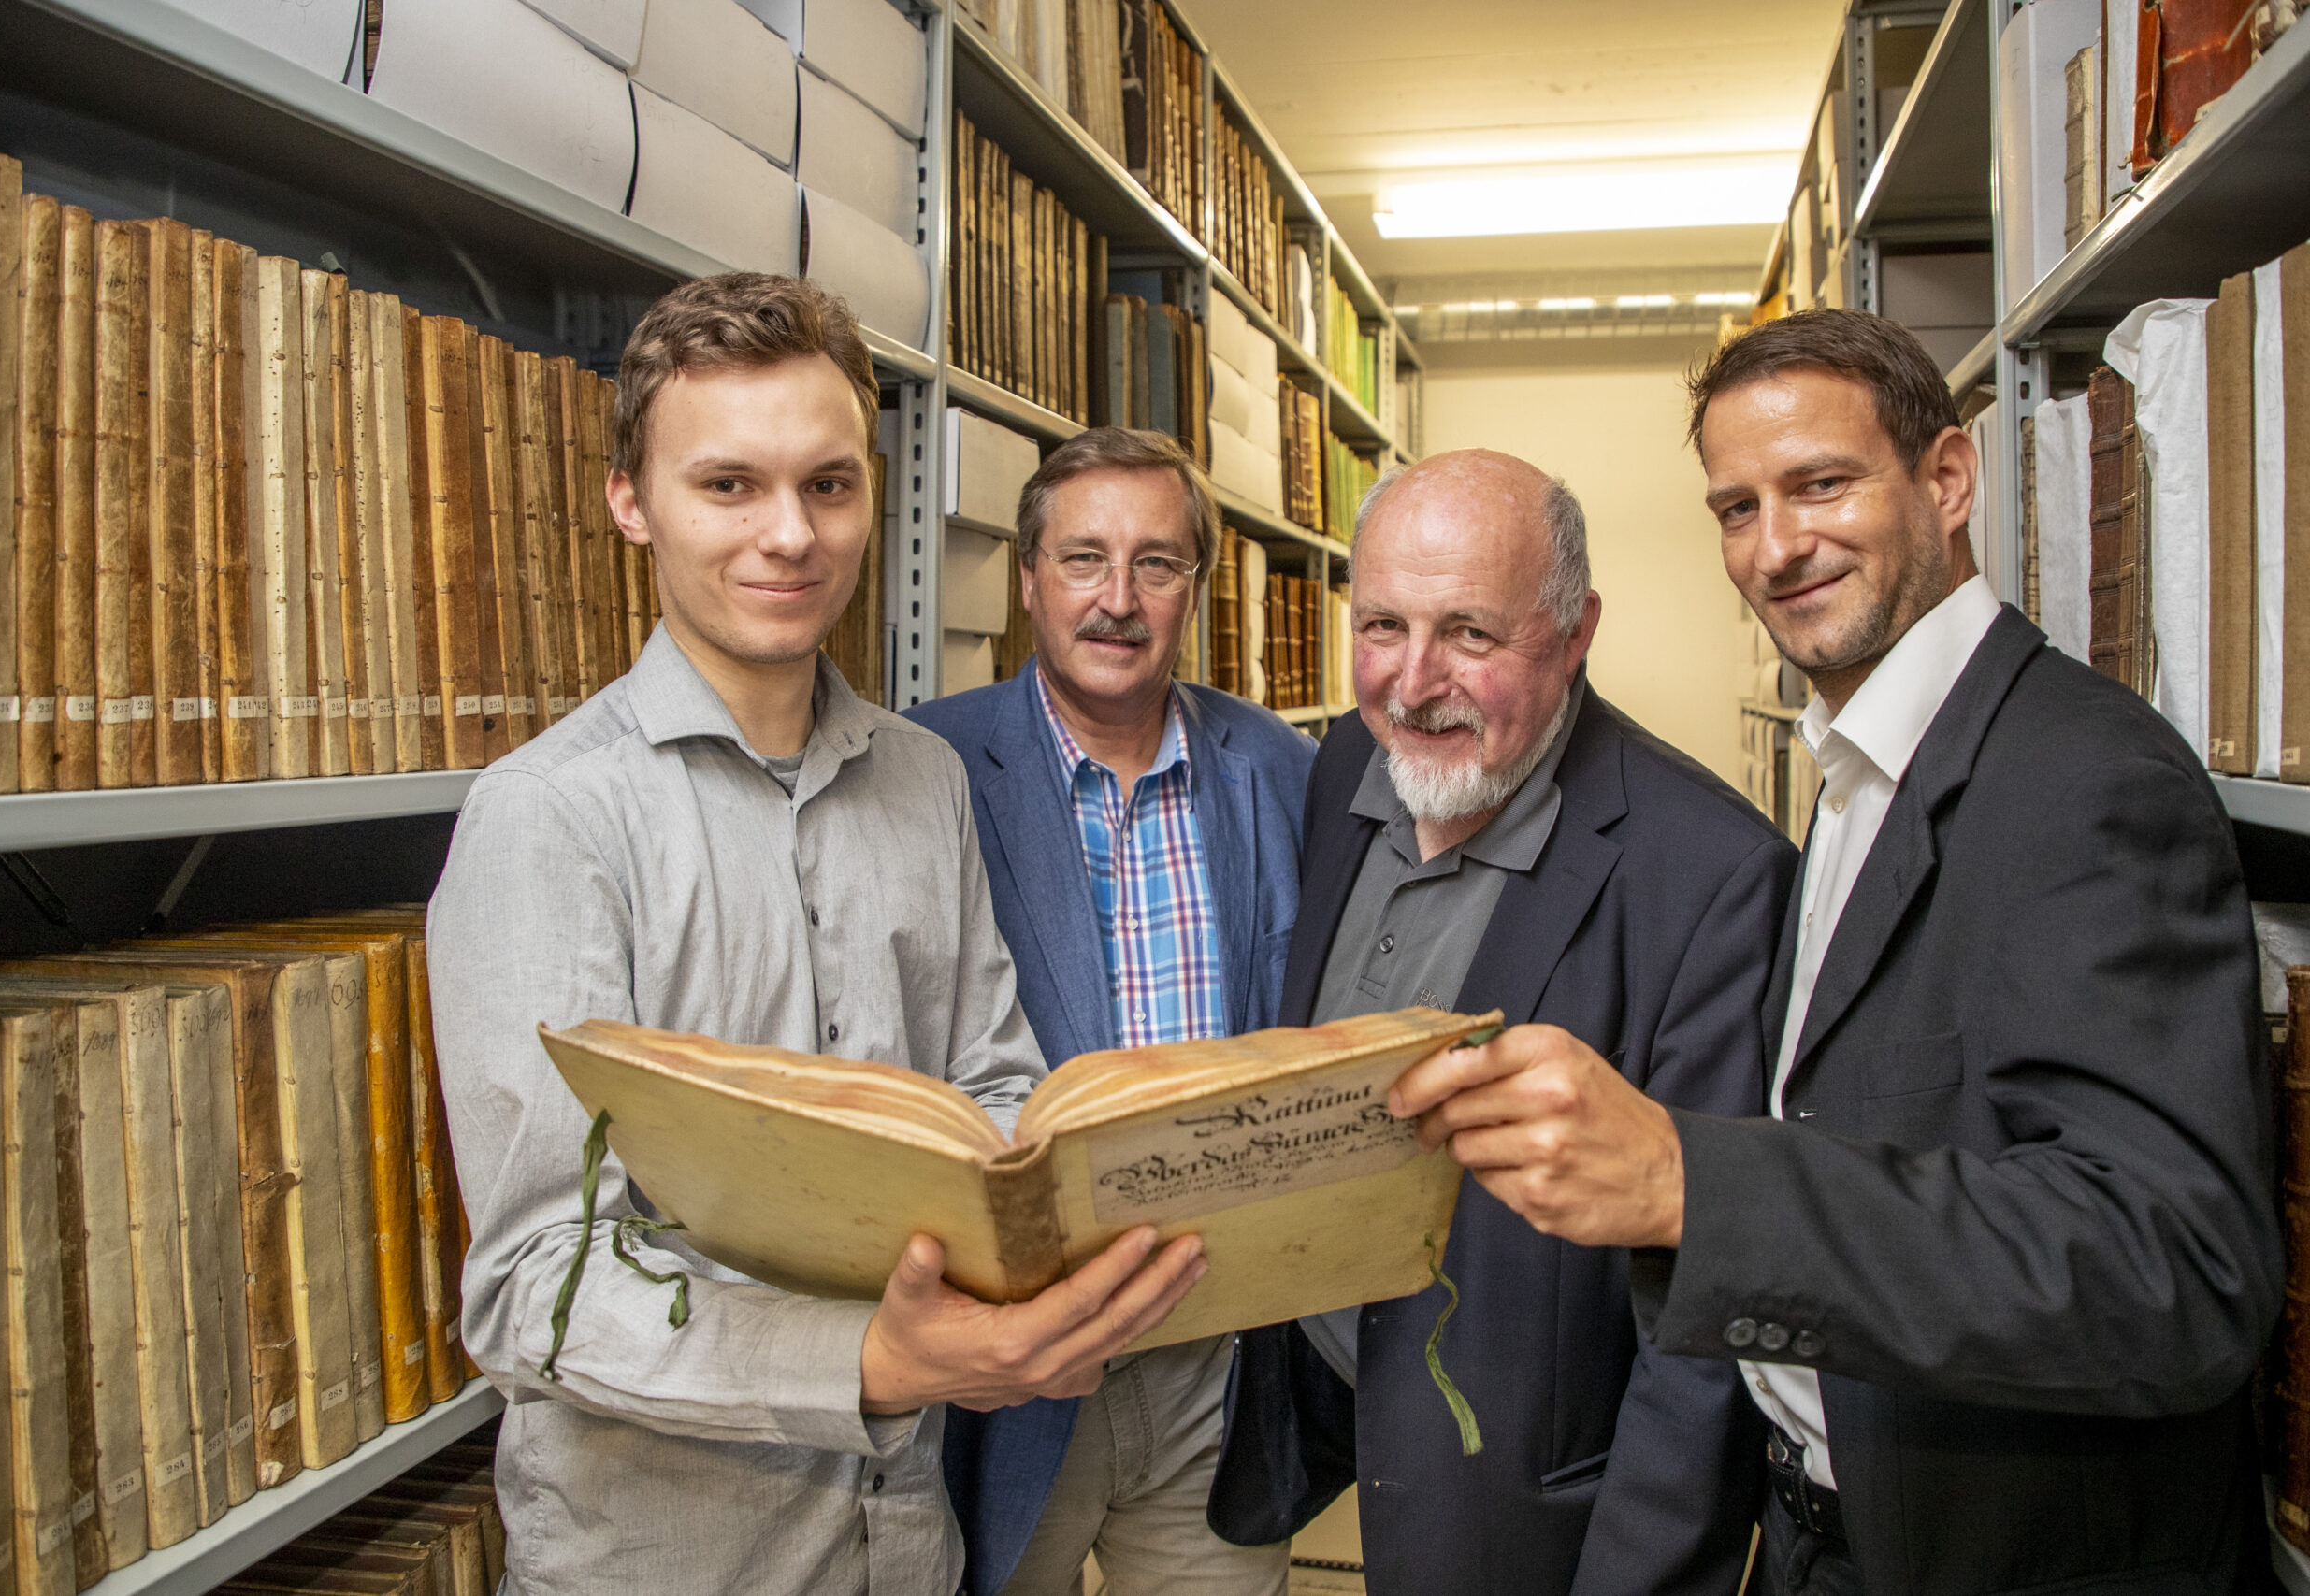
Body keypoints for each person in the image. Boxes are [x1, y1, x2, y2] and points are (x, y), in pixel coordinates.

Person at [1388, 309, 2283, 1595]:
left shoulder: (2082, 777)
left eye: (1822, 484)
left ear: (1949, 479)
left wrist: (1695, 1182)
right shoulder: (1862, 766)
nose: (1778, 545)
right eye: (1737, 507)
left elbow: (2175, 1267)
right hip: (1827, 1533)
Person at [426, 274, 1206, 1596]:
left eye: (830, 485)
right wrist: (875, 1360)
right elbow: (531, 1290)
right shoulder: (546, 819)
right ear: (632, 500)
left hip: (908, 1543)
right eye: (727, 485)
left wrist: (1044, 1254)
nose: (789, 534)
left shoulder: (925, 779)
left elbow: (995, 1082)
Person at [1207, 450, 1792, 1594]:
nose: (1412, 681)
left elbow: (1713, 1313)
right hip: (1334, 1410)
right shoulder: (1343, 768)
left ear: (1575, 633)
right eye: (1380, 626)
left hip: (1518, 1493)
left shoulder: (1712, 875)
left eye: (1470, 634)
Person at [908, 427, 1314, 1596]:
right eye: (1083, 559)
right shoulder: (927, 769)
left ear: (1198, 582)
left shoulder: (1279, 768)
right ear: (1028, 578)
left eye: (1157, 562)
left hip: (1216, 1351)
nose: (1118, 600)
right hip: (1014, 1362)